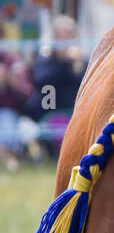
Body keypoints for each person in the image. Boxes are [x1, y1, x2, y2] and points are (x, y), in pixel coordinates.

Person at [23, 14, 85, 159]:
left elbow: (84, 82)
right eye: (60, 36)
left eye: (68, 36)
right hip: (50, 112)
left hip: (75, 113)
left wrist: (75, 63)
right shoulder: (46, 59)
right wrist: (62, 61)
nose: (64, 41)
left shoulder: (80, 61)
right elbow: (41, 80)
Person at [0, 48, 32, 170]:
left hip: (10, 112)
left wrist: (10, 80)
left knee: (6, 119)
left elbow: (26, 95)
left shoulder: (13, 62)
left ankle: (10, 157)